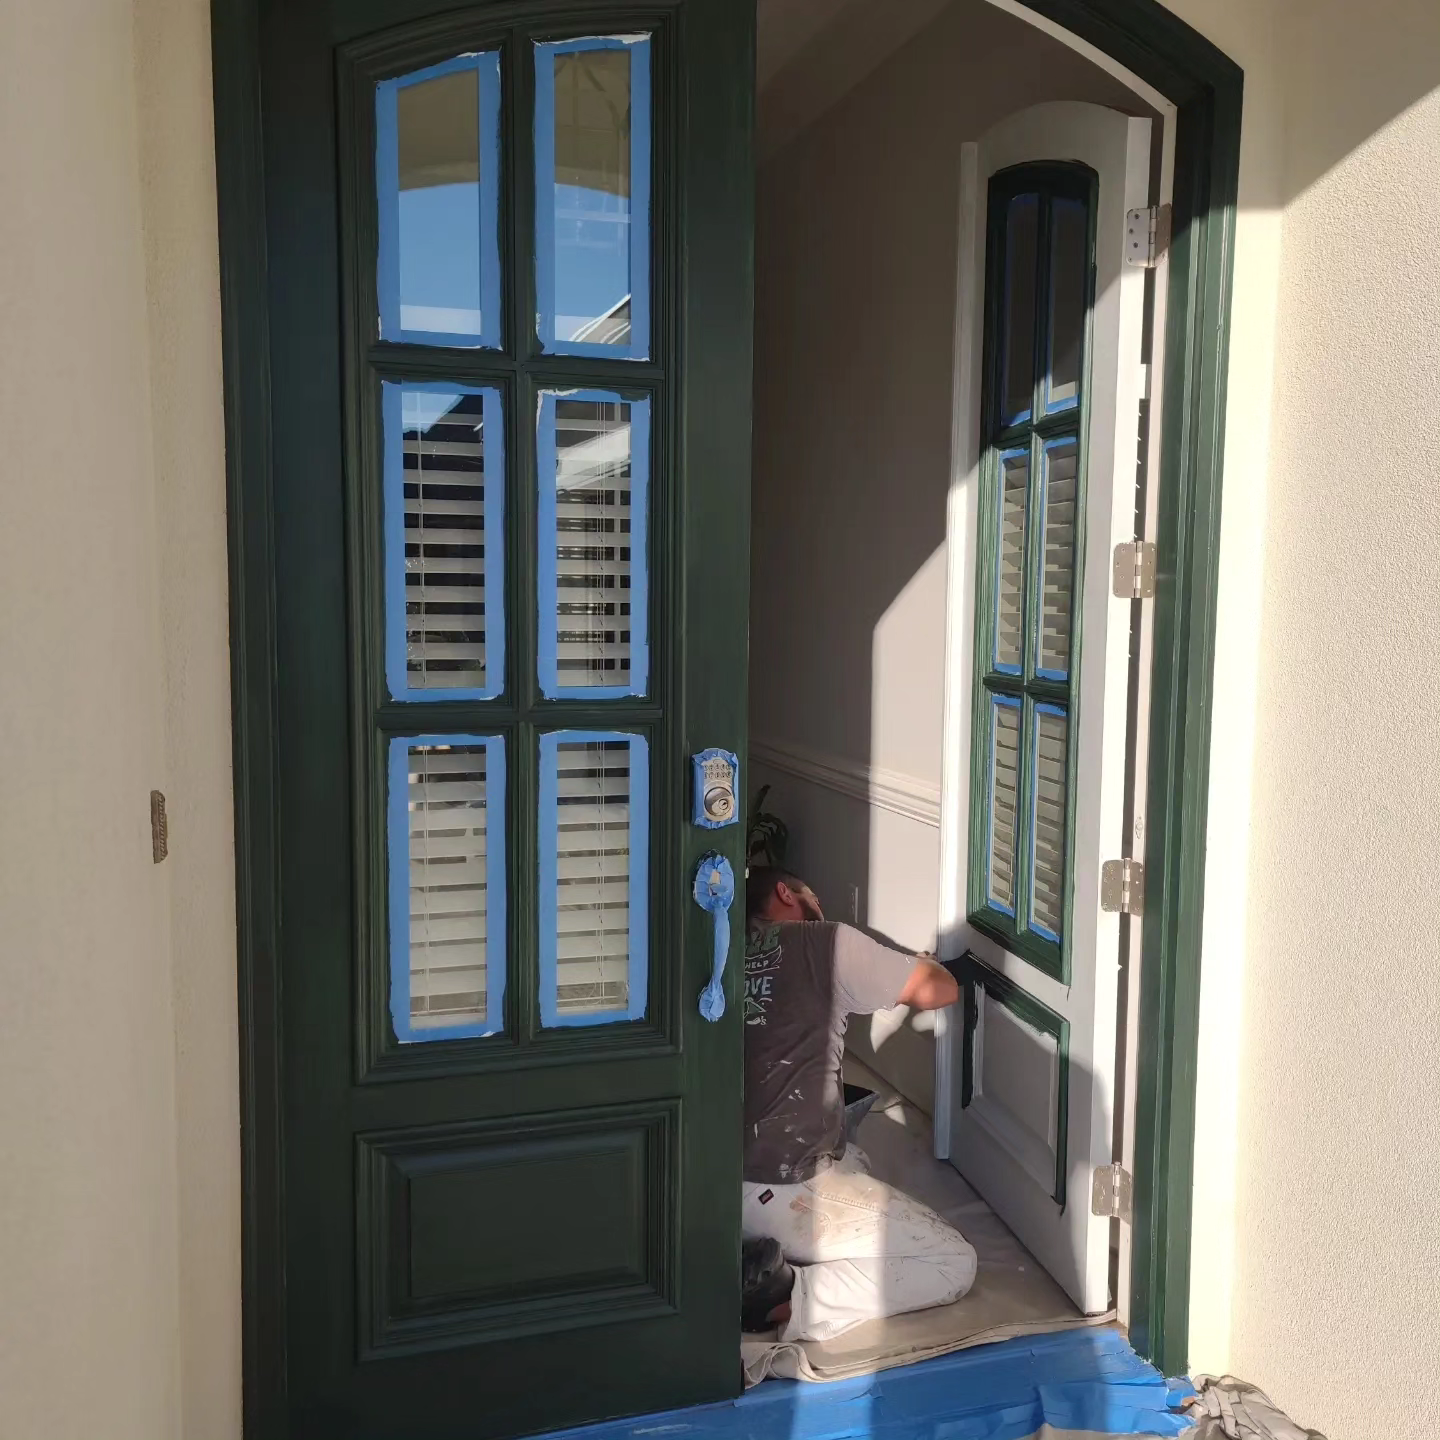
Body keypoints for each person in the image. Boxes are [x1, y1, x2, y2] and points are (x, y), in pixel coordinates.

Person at [740, 868, 978, 1343]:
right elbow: (940, 989)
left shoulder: (719, 950)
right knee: (952, 1262)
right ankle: (779, 1295)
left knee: (855, 1156)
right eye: (812, 895)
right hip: (778, 1183)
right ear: (785, 893)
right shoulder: (825, 942)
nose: (819, 905)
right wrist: (919, 964)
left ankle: (761, 1244)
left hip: (708, 1185)